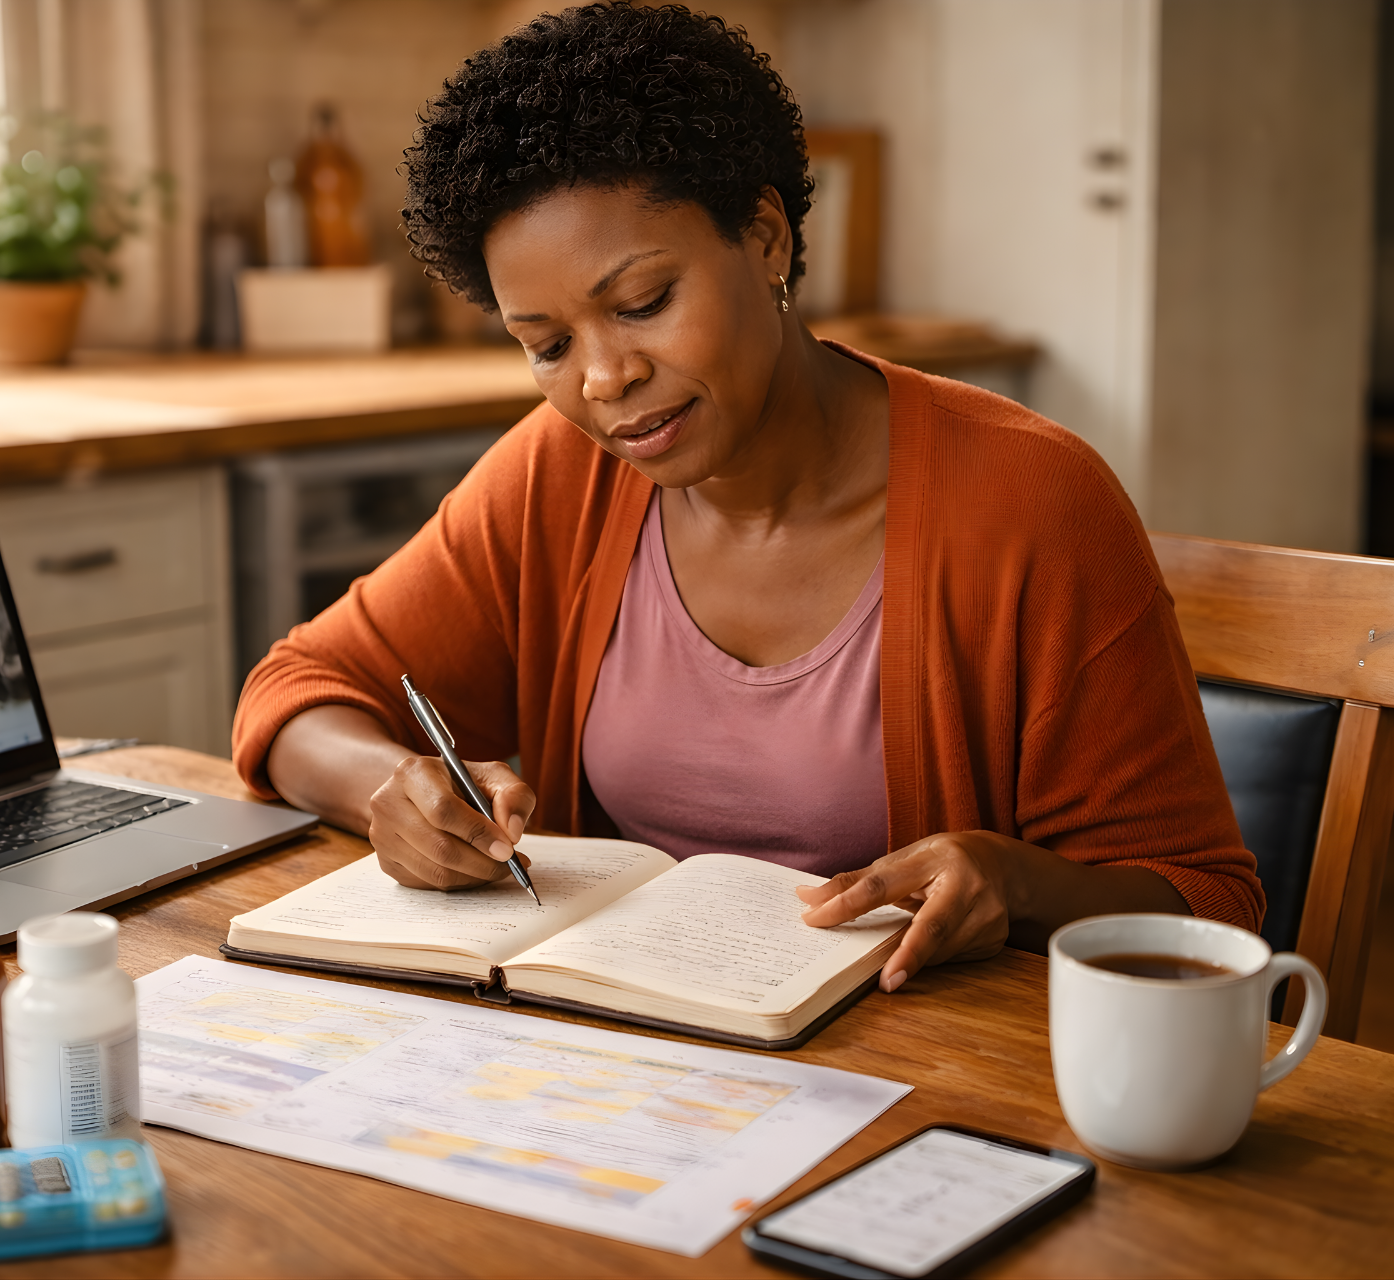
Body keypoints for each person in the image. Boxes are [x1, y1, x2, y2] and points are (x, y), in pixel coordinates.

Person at [235, 3, 1262, 994]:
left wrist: (1020, 883)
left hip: (926, 1095)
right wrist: (389, 788)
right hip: (610, 1079)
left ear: (765, 237)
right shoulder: (560, 474)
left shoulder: (1032, 502)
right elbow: (299, 690)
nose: (601, 377)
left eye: (642, 303)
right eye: (546, 344)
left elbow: (1204, 908)